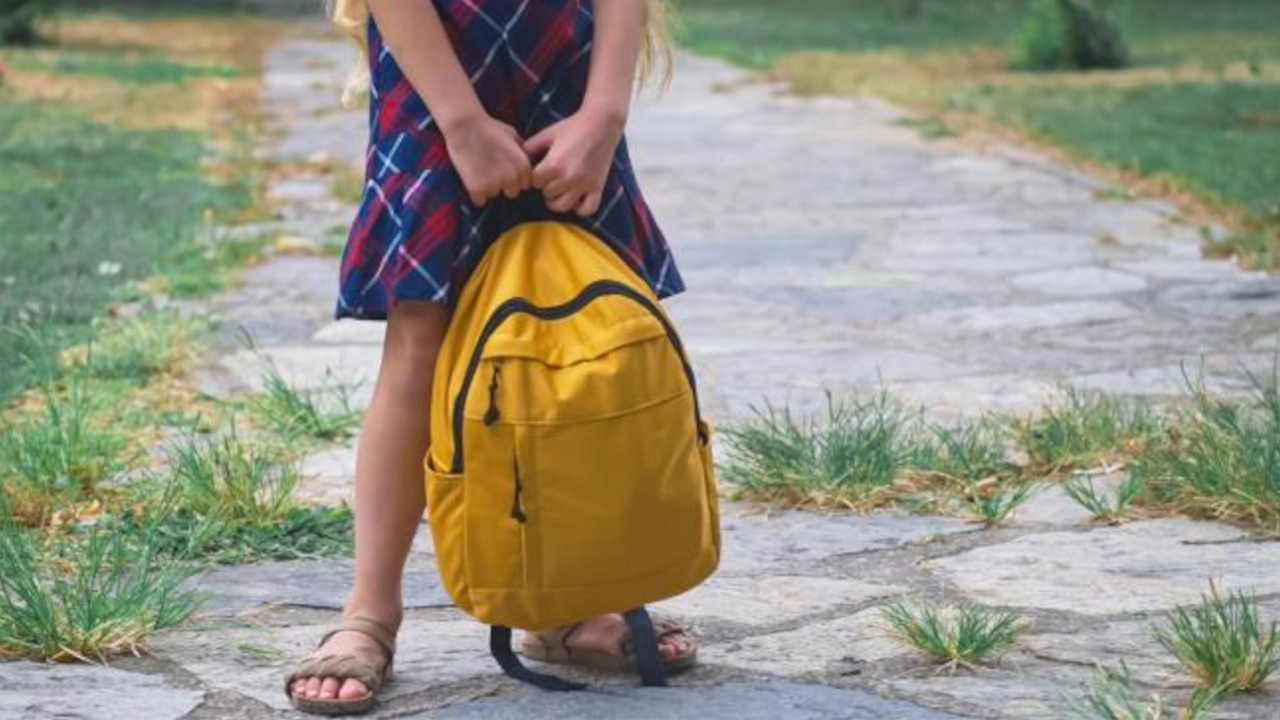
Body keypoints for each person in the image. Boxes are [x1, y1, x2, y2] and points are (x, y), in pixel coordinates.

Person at [287, 0, 696, 713]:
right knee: (420, 343)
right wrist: (463, 121)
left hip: (564, 69)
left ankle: (565, 603)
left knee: (572, 343)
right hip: (436, 75)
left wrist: (605, 112)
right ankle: (369, 614)